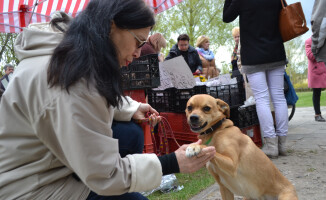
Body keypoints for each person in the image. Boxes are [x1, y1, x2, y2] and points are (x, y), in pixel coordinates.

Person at [0, 1, 216, 200]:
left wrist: (131, 107)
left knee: (130, 133)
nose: (139, 53)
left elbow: (86, 104)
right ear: (112, 26)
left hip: (50, 165)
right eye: (138, 42)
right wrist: (172, 162)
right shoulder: (70, 79)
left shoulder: (69, 56)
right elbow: (106, 174)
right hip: (33, 187)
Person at [223, 0, 289, 158]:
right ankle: (282, 144)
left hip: (253, 55)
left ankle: (271, 145)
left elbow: (227, 17)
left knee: (262, 99)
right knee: (279, 97)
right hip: (276, 51)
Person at [305, 36, 326, 122]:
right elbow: (311, 56)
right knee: (317, 93)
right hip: (316, 71)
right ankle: (317, 115)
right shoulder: (308, 41)